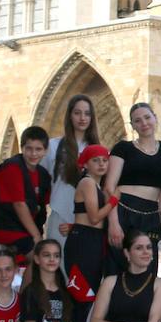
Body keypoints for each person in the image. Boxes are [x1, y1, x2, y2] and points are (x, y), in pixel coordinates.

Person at [105, 102, 161, 272]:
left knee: (148, 269)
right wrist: (114, 222)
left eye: (147, 117)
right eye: (137, 120)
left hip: (151, 215)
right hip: (123, 210)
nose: (144, 123)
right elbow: (109, 187)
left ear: (155, 118)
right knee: (118, 267)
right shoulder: (123, 148)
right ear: (133, 126)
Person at [62, 144, 117, 309]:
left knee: (90, 289)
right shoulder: (87, 182)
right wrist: (114, 201)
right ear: (85, 164)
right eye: (95, 160)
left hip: (91, 238)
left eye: (104, 160)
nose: (101, 164)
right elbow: (94, 218)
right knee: (83, 291)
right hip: (85, 240)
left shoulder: (97, 186)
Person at [0, 125, 53, 259]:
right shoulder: (13, 167)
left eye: (38, 149)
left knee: (42, 259)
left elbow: (42, 206)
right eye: (29, 148)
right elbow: (19, 205)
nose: (33, 154)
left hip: (23, 228)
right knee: (40, 258)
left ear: (45, 151)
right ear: (21, 148)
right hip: (6, 227)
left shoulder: (43, 174)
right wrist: (37, 236)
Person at [47, 94, 101, 245]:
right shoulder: (53, 146)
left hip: (88, 221)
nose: (82, 118)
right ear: (70, 116)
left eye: (87, 113)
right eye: (77, 113)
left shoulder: (100, 151)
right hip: (60, 215)